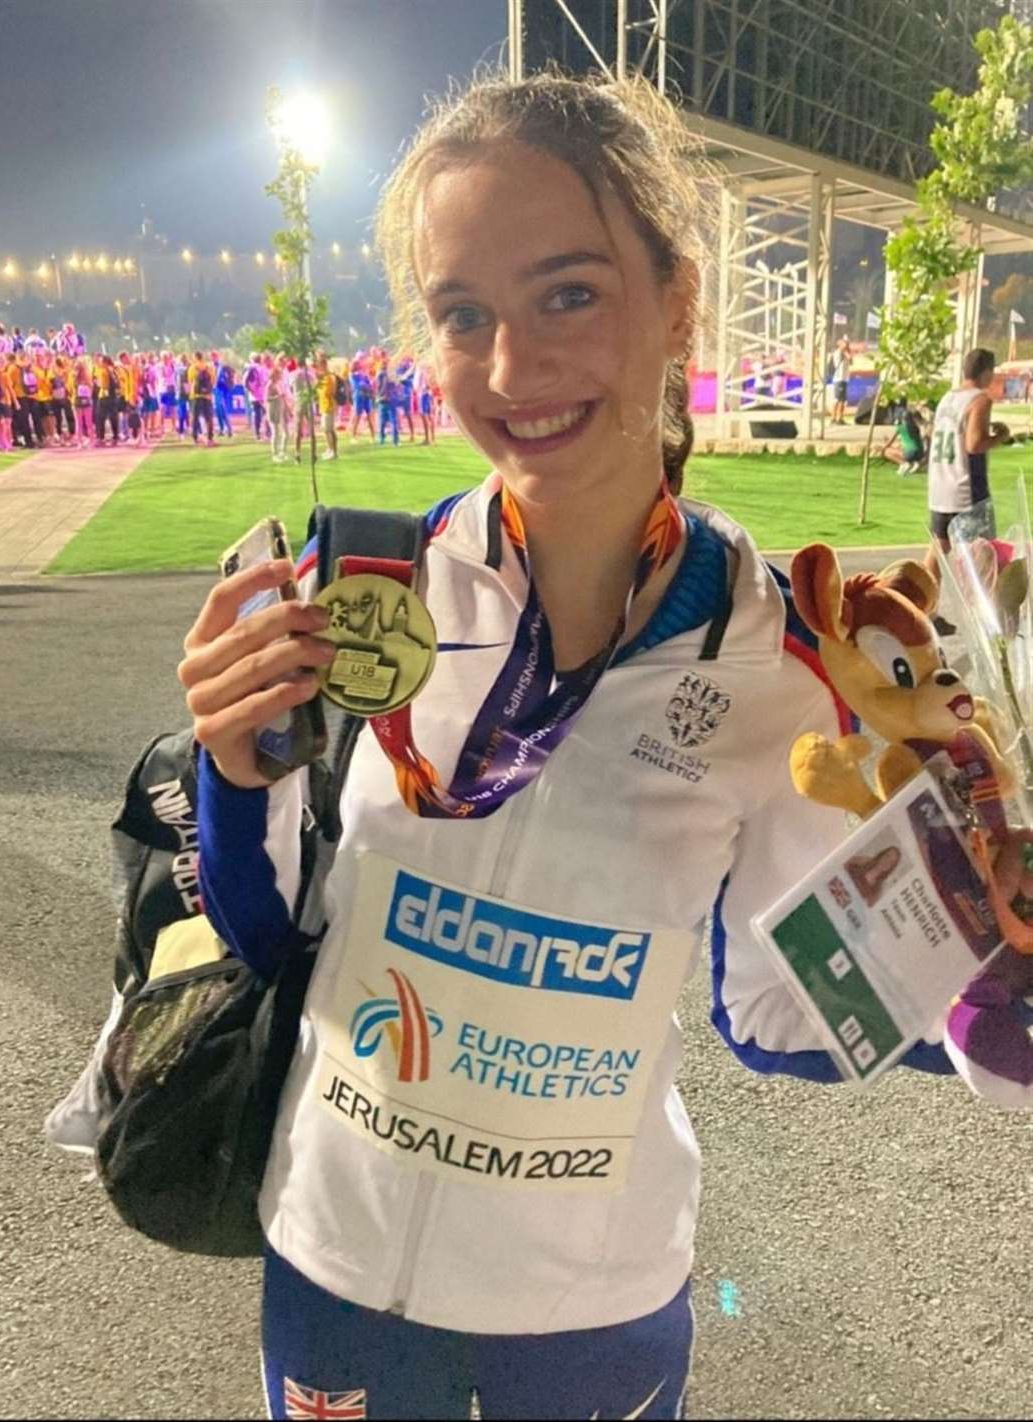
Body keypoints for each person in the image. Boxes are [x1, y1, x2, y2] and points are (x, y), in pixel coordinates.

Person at [176, 71, 986, 1422]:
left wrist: (982, 947)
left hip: (591, 1308)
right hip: (339, 1260)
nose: (512, 367)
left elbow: (778, 1019)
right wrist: (234, 765)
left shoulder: (779, 656)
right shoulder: (361, 582)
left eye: (569, 294)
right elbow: (269, 935)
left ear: (677, 301)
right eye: (462, 316)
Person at [925, 347, 1012, 634]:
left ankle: (925, 610)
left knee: (938, 549)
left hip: (941, 485)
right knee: (985, 553)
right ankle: (987, 620)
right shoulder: (980, 400)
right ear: (986, 372)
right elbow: (974, 444)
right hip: (967, 490)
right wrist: (1000, 437)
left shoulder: (948, 399)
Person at [880, 402, 927, 476]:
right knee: (901, 448)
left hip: (909, 453)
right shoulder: (915, 428)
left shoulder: (900, 427)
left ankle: (903, 463)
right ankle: (915, 463)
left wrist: (883, 448)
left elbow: (890, 442)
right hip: (920, 453)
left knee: (887, 451)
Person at [315, 352, 339, 461]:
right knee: (327, 429)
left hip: (328, 405)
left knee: (327, 429)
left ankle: (332, 450)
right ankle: (330, 449)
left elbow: (330, 391)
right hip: (324, 405)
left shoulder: (329, 377)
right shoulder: (323, 377)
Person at [188, 350, 216, 445]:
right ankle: (210, 438)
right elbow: (212, 381)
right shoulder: (209, 367)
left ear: (195, 357)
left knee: (195, 417)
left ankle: (195, 437)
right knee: (209, 418)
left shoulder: (193, 368)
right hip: (207, 396)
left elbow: (190, 381)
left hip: (196, 396)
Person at [831, 335, 851, 424]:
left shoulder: (846, 353)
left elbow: (851, 361)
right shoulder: (838, 352)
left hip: (845, 379)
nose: (847, 345)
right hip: (838, 379)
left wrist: (848, 352)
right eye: (845, 343)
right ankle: (833, 418)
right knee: (837, 399)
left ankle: (840, 418)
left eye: (847, 343)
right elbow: (846, 358)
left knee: (843, 400)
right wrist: (846, 352)